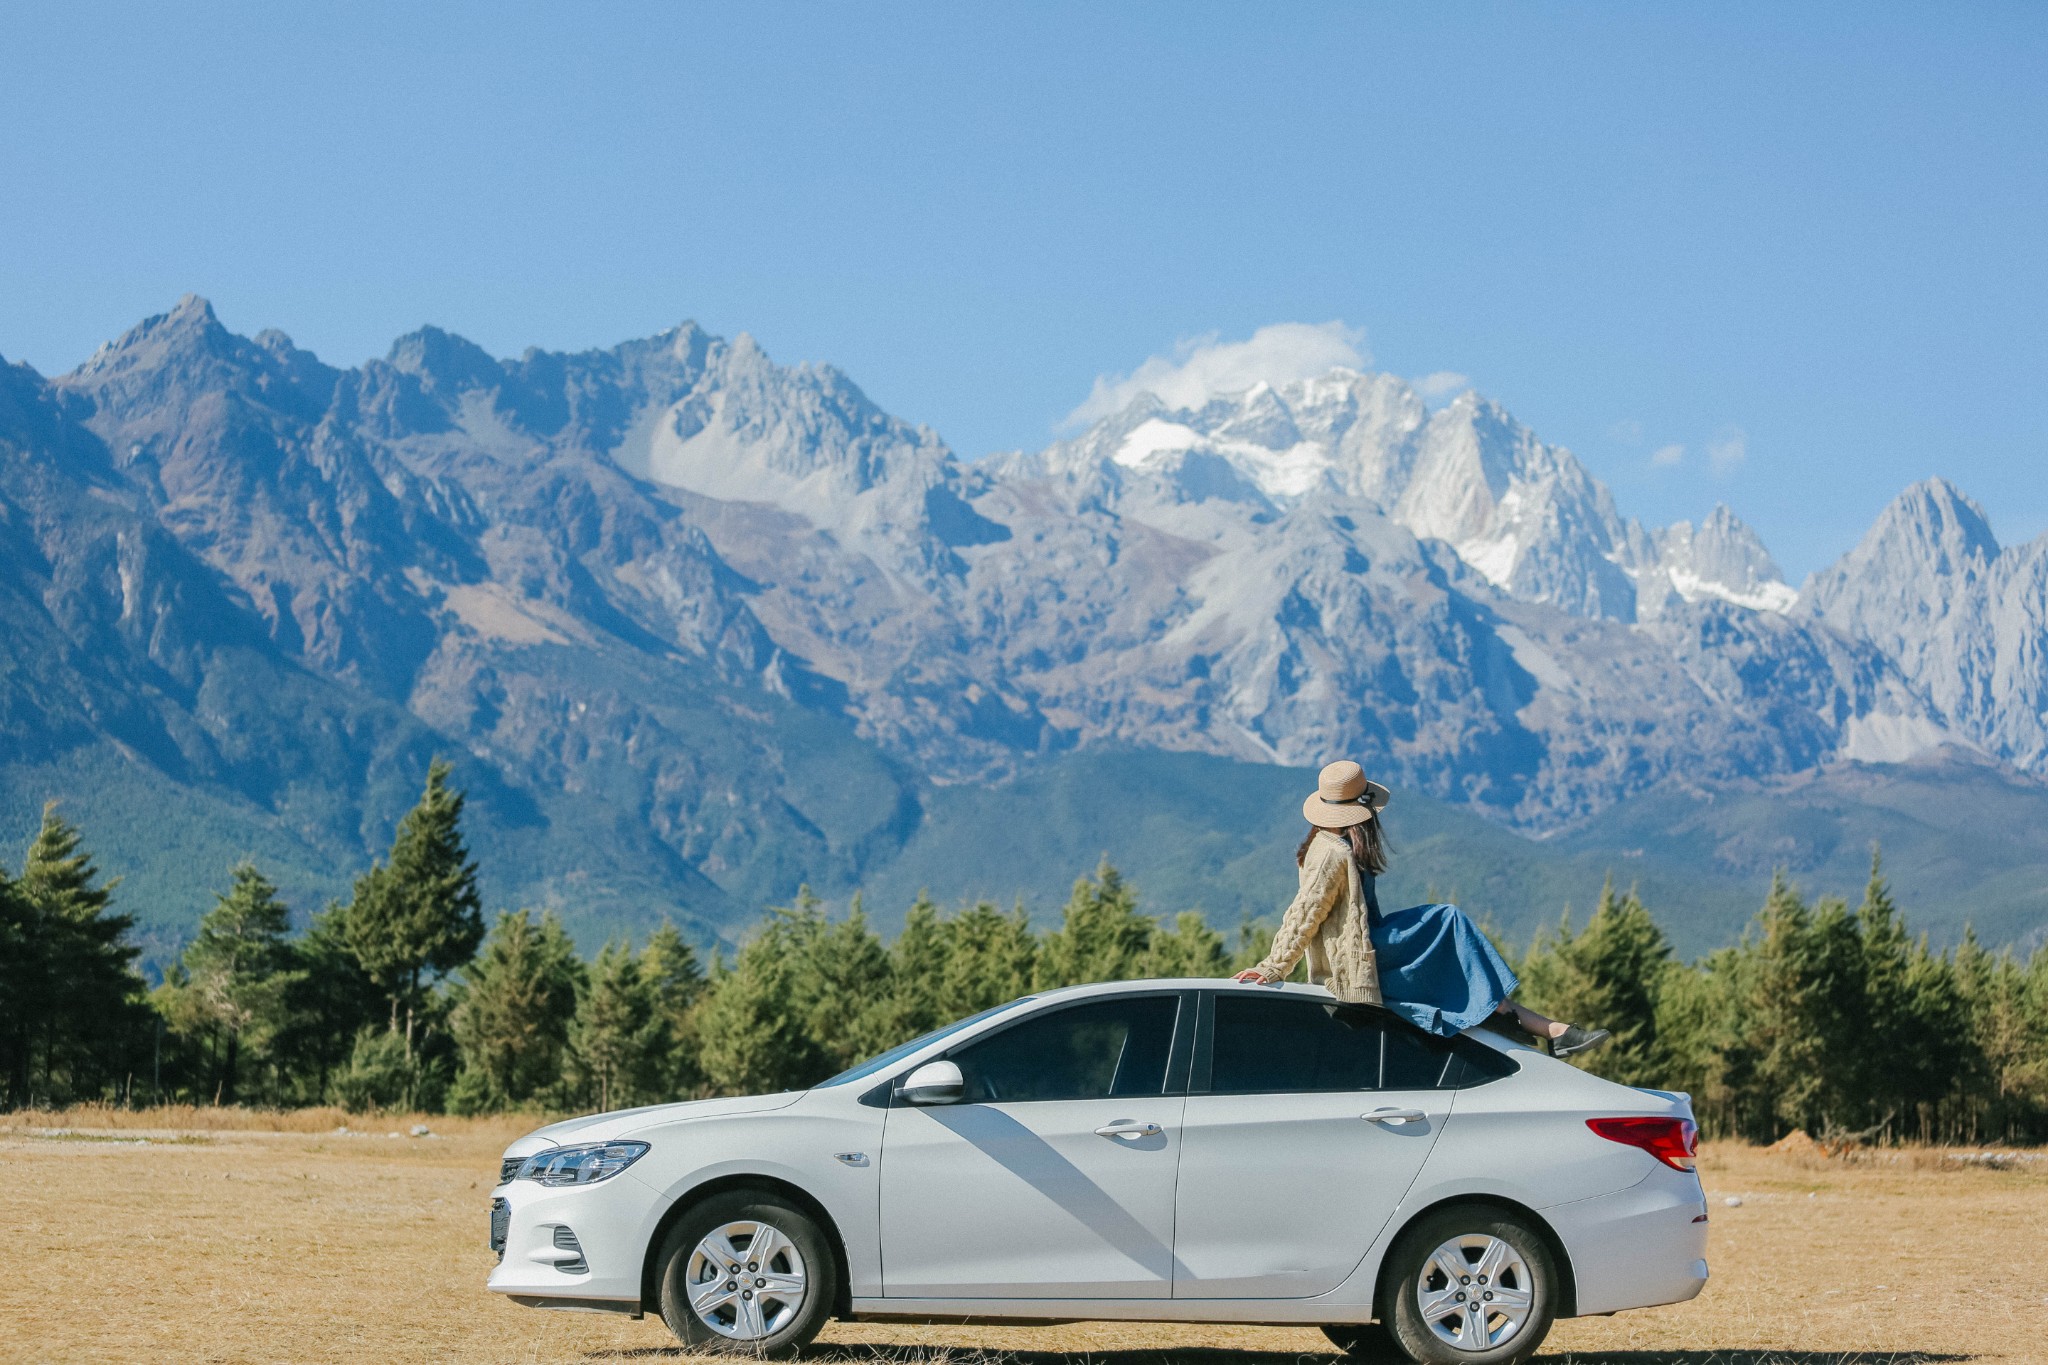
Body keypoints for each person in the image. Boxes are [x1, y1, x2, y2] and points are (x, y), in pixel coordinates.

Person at [1233, 760, 1610, 1058]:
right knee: (1449, 921)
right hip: (1360, 958)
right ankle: (1530, 1024)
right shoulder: (1335, 853)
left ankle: (1546, 1028)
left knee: (1448, 926)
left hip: (1368, 942)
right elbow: (1305, 912)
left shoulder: (1323, 841)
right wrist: (1273, 966)